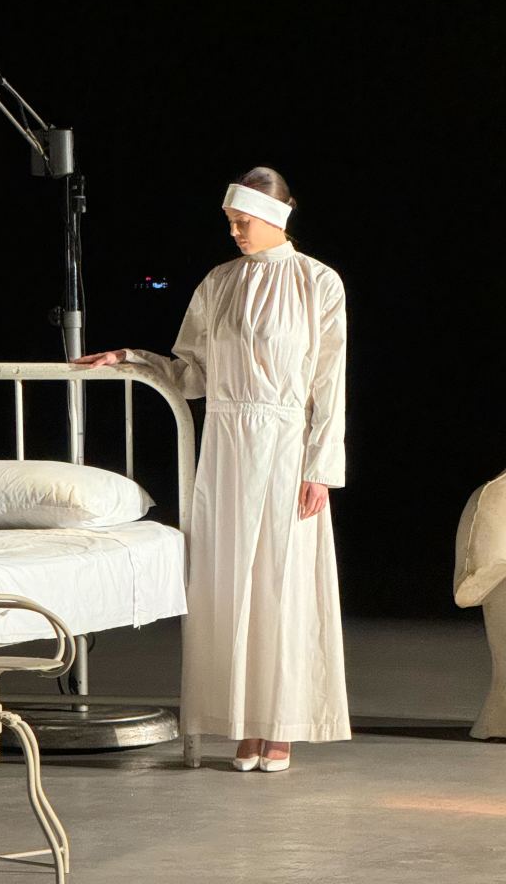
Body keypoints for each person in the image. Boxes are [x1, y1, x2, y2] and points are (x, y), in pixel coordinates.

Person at [74, 166, 351, 771]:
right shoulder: (219, 282)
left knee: (282, 582)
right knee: (226, 584)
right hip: (226, 447)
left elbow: (330, 384)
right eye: (230, 222)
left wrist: (320, 467)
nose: (234, 232)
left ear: (275, 217)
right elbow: (190, 373)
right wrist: (130, 358)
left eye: (243, 221)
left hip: (285, 445)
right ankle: (241, 724)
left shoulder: (317, 283)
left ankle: (280, 724)